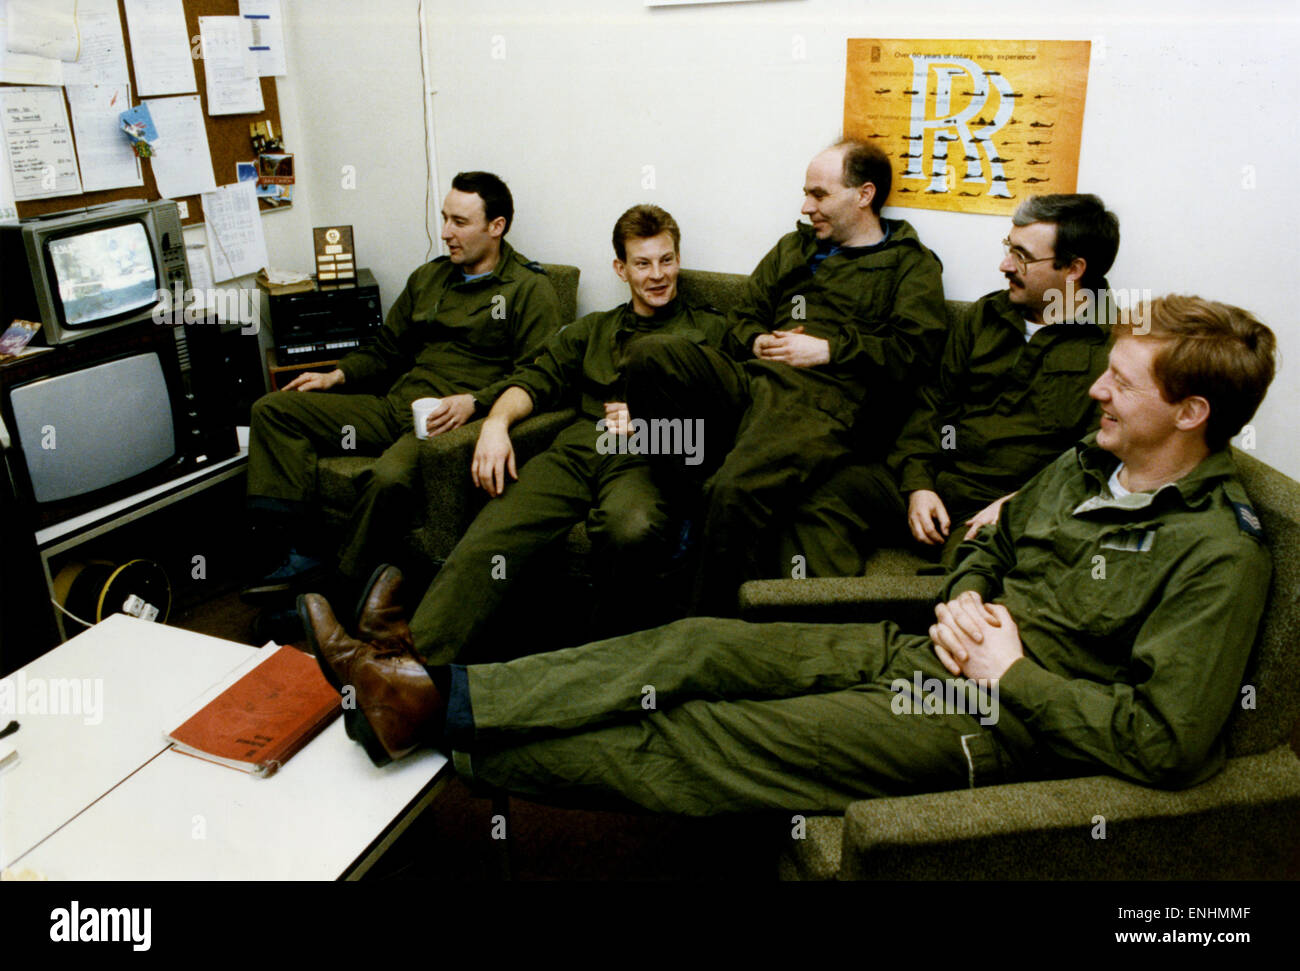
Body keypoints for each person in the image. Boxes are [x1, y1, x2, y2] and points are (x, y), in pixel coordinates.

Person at [301, 295, 1275, 819]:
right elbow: (992, 548)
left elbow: (1167, 742)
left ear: (1190, 412)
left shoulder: (1216, 554)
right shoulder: (1085, 460)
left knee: (705, 734)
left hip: (993, 716)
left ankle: (432, 727)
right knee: (691, 645)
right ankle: (435, 691)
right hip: (916, 648)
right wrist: (964, 596)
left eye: (1120, 378)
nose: (1096, 388)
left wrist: (1007, 668)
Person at [348, 205, 728, 666]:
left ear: (678, 260)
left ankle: (599, 666)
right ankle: (410, 669)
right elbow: (533, 379)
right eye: (643, 263)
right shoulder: (594, 329)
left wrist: (654, 420)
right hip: (578, 445)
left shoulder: (710, 330)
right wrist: (494, 424)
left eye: (666, 260)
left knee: (631, 529)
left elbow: (730, 414)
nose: (657, 275)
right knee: (495, 526)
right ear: (620, 269)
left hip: (649, 454)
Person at [623, 139, 947, 615]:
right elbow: (741, 319)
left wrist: (830, 350)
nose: (805, 206)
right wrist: (757, 341)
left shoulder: (910, 264)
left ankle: (700, 631)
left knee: (733, 492)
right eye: (806, 193)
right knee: (651, 355)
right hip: (756, 378)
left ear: (864, 195)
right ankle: (691, 493)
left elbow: (916, 354)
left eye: (819, 195)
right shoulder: (793, 248)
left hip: (823, 404)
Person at [243, 171, 561, 602]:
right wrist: (338, 375)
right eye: (445, 218)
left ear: (496, 227)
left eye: (460, 223)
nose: (446, 233)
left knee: (388, 478)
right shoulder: (429, 278)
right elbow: (387, 348)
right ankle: (301, 554)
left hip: (448, 426)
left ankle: (336, 592)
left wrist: (476, 402)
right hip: (393, 407)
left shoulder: (529, 288)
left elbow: (536, 374)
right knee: (274, 409)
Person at [781, 194, 1121, 576]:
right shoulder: (984, 316)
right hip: (938, 482)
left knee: (970, 572)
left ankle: (916, 621)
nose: (1005, 265)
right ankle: (826, 625)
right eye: (1009, 248)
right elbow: (931, 404)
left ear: (1074, 269)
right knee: (822, 496)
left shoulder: (1116, 345)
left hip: (1005, 507)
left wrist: (1020, 504)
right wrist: (918, 485)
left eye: (1022, 256)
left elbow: (1098, 455)